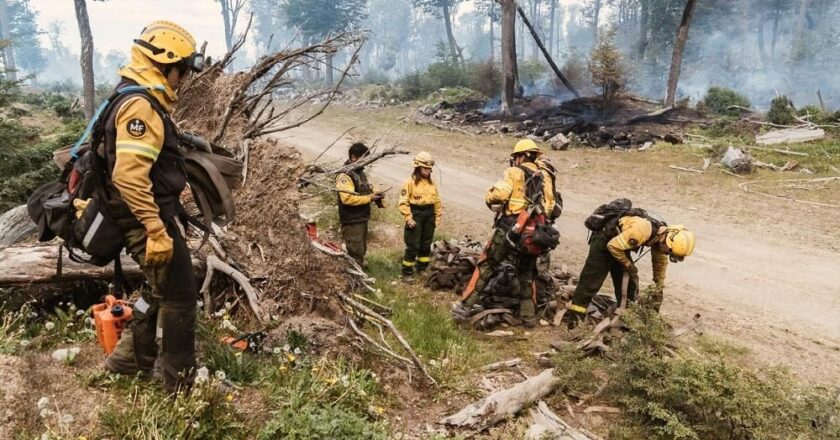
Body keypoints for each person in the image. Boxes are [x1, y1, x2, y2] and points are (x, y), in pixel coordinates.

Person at [103, 20, 206, 393]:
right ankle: (180, 387)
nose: (182, 80)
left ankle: (128, 360)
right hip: (142, 220)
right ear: (165, 64)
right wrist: (156, 230)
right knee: (181, 297)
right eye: (181, 71)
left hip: (143, 217)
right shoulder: (140, 108)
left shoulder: (135, 95)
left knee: (156, 289)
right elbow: (129, 177)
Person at [452, 139, 555, 327]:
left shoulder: (514, 172)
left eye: (516, 157)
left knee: (487, 265)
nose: (515, 160)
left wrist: (489, 196)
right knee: (526, 274)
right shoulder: (545, 177)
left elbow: (498, 195)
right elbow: (550, 208)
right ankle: (528, 317)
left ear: (521, 156)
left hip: (509, 229)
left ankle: (464, 307)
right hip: (531, 235)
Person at [565, 213, 696, 327]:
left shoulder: (662, 240)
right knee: (590, 282)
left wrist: (659, 287)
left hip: (620, 245)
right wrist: (628, 264)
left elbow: (659, 265)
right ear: (667, 241)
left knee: (630, 285)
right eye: (669, 252)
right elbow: (613, 246)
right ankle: (574, 319)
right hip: (604, 240)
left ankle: (625, 318)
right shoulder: (641, 231)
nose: (667, 254)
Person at [336, 142, 384, 266]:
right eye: (364, 159)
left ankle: (359, 269)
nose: (367, 162)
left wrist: (375, 194)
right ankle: (354, 279)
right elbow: (347, 198)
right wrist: (369, 198)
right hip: (352, 220)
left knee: (361, 249)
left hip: (361, 218)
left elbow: (363, 189)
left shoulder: (359, 172)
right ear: (354, 157)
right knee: (355, 252)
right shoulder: (345, 175)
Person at [398, 151, 442, 281]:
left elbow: (437, 201)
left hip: (429, 214)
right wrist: (408, 218)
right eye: (425, 168)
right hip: (415, 213)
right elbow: (403, 202)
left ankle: (422, 267)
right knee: (413, 244)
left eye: (429, 169)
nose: (427, 171)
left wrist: (437, 217)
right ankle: (407, 272)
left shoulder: (432, 182)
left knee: (426, 244)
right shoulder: (409, 182)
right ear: (417, 167)